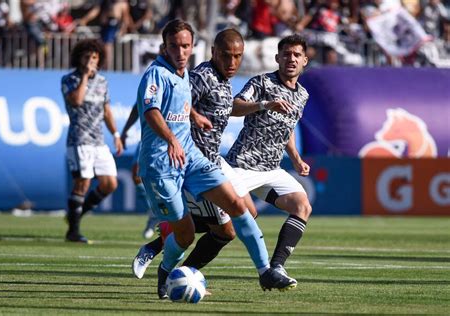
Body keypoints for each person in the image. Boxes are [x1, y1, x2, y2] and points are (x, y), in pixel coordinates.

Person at [136, 19, 294, 299]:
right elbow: (150, 108)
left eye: (185, 46)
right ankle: (166, 264)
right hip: (167, 162)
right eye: (175, 46)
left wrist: (196, 116)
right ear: (212, 51)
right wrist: (171, 138)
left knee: (239, 208)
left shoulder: (188, 75)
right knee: (192, 233)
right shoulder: (190, 75)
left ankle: (265, 271)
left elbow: (194, 105)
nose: (181, 51)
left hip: (199, 159)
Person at [226, 34, 312, 284]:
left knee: (302, 206)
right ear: (277, 58)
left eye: (297, 55)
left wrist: (295, 158)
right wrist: (264, 105)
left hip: (271, 170)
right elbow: (234, 106)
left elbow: (287, 128)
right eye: (286, 54)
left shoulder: (302, 95)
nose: (291, 59)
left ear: (305, 60)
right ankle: (157, 244)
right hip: (241, 166)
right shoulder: (262, 82)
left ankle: (276, 268)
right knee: (223, 228)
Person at [61, 38, 123, 243]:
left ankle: (76, 214)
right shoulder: (69, 79)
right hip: (79, 140)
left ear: (100, 59)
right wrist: (85, 77)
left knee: (110, 183)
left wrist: (115, 134)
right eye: (86, 56)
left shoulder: (103, 82)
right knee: (83, 183)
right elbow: (77, 100)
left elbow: (106, 111)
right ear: (79, 58)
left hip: (99, 141)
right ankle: (73, 232)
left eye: (94, 57)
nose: (90, 61)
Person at [120, 105, 159, 239]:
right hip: (148, 136)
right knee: (136, 175)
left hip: (175, 137)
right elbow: (138, 106)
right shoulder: (149, 86)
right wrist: (125, 129)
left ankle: (161, 216)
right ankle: (155, 212)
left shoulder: (182, 86)